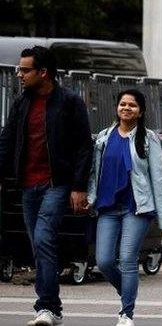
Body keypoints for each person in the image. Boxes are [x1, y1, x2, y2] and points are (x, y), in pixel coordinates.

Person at [0, 46, 92, 326]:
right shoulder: (21, 103)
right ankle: (53, 309)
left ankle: (47, 307)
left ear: (44, 73)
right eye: (19, 69)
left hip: (57, 184)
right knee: (39, 244)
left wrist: (78, 186)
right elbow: (7, 140)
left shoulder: (69, 102)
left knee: (42, 239)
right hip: (28, 185)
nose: (19, 75)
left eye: (25, 70)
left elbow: (83, 146)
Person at [87, 90, 162, 326]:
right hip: (108, 207)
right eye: (122, 104)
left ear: (140, 111)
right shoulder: (104, 137)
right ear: (117, 108)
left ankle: (126, 313)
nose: (126, 108)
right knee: (103, 261)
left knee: (127, 259)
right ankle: (127, 293)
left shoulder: (148, 139)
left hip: (136, 208)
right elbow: (95, 173)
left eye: (132, 105)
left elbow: (159, 178)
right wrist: (91, 198)